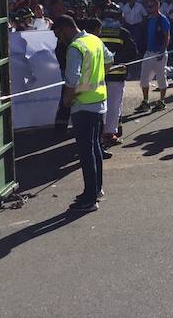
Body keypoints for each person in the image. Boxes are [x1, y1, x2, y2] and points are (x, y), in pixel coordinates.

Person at [54, 14, 114, 213]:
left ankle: (89, 199)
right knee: (95, 148)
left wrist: (66, 100)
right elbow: (109, 59)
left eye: (58, 35)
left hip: (83, 105)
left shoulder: (75, 47)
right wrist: (99, 77)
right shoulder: (94, 40)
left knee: (86, 153)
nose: (59, 40)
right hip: (99, 101)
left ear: (65, 29)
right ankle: (96, 190)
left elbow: (72, 79)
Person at [97, 7, 139, 146]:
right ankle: (109, 134)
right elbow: (133, 53)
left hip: (100, 75)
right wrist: (120, 61)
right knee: (114, 106)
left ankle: (99, 133)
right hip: (117, 75)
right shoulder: (123, 33)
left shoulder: (98, 33)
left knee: (101, 105)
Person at [135, 0, 171, 112]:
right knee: (144, 78)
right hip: (149, 52)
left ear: (157, 6)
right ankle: (145, 101)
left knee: (161, 77)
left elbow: (167, 36)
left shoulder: (163, 19)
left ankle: (161, 101)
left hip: (159, 53)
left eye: (151, 6)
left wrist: (162, 50)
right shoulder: (150, 19)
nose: (149, 8)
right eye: (148, 6)